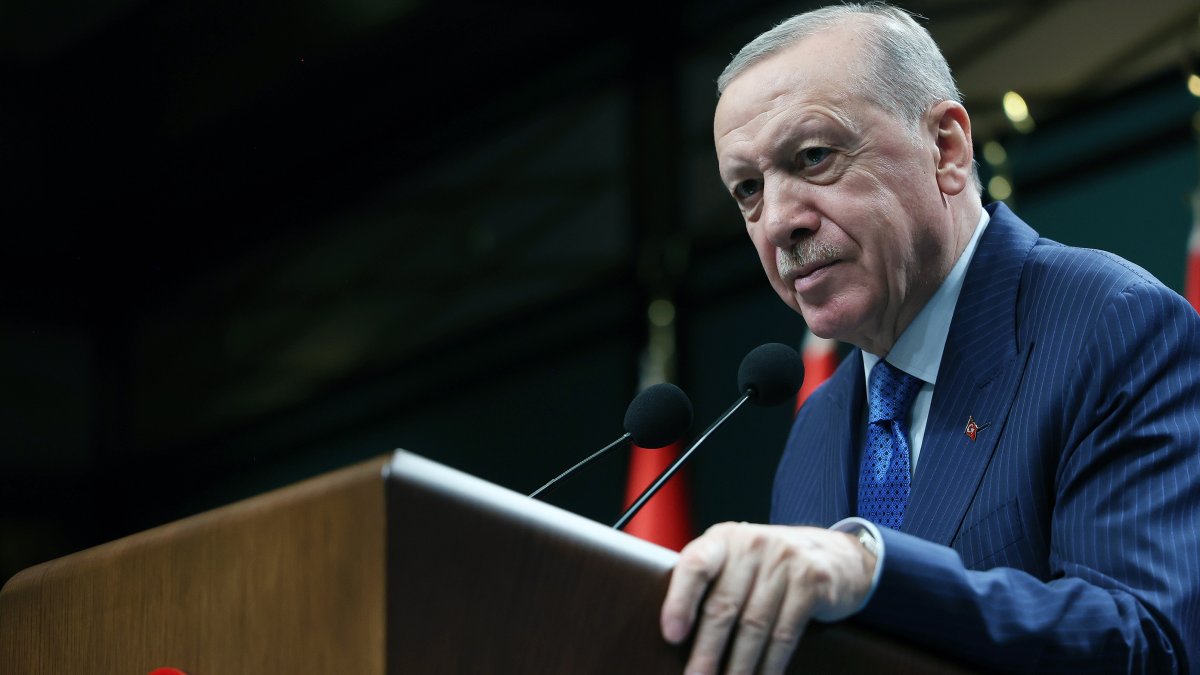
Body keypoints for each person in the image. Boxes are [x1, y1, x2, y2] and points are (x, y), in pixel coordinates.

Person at [659, 3, 1200, 674]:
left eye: (814, 156)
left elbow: (1147, 644)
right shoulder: (817, 429)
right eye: (747, 189)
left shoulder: (1108, 325)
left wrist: (873, 569)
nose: (776, 223)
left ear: (946, 149)